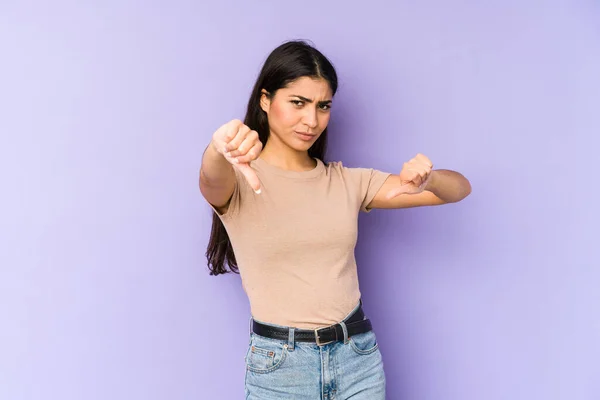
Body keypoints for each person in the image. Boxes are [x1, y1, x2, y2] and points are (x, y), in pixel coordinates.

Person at [199, 40, 471, 399]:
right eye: (298, 102)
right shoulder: (239, 180)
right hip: (281, 368)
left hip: (356, 358)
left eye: (322, 106)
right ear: (266, 100)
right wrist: (217, 147)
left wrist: (429, 178)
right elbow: (209, 179)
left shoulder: (346, 182)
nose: (312, 121)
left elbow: (458, 190)